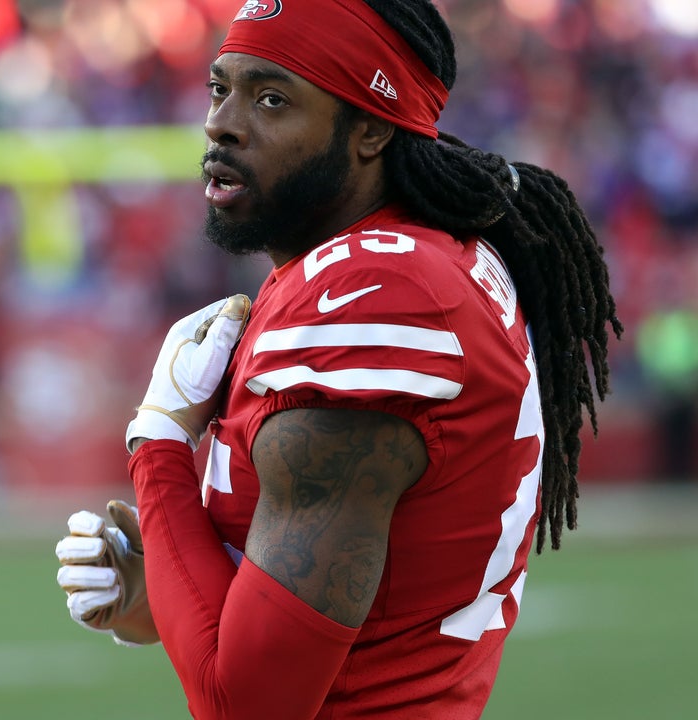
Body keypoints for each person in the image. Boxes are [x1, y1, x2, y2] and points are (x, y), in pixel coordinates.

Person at [54, 1, 622, 718]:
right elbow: (356, 603)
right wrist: (167, 583)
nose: (221, 123)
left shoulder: (370, 302)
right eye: (218, 88)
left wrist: (160, 440)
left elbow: (248, 707)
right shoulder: (383, 264)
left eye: (271, 99)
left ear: (372, 128)